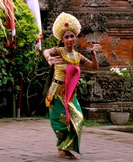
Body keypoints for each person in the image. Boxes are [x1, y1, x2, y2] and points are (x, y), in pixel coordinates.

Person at [43, 12, 101, 160]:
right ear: (62, 39)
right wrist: (49, 57)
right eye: (66, 37)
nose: (69, 39)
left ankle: (65, 148)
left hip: (71, 93)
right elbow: (47, 51)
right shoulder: (60, 52)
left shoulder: (77, 56)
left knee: (78, 119)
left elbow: (94, 67)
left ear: (75, 37)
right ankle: (63, 148)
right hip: (57, 92)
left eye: (71, 36)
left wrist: (93, 54)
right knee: (62, 121)